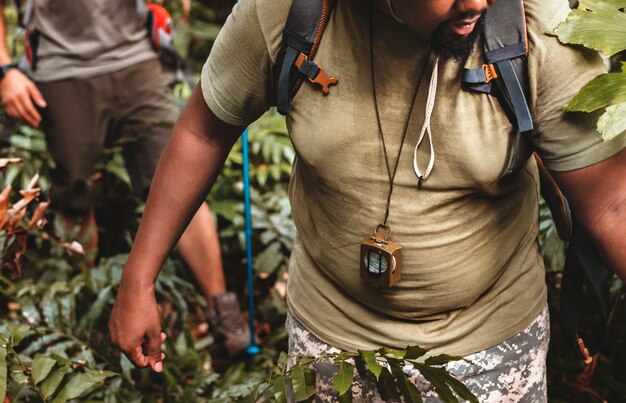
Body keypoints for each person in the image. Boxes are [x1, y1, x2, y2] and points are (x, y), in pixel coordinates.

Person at [109, 0, 626, 399]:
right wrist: (139, 278)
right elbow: (203, 131)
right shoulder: (292, 15)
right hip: (329, 339)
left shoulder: (535, 26)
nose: (477, 3)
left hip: (489, 347)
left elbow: (611, 204)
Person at [0, 0, 251, 357]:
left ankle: (222, 311)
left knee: (184, 182)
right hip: (61, 69)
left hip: (137, 59)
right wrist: (5, 70)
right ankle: (83, 317)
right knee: (76, 196)